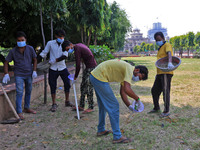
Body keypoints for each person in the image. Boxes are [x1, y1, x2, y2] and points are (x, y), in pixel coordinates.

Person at [89, 59, 148, 144]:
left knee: (103, 105)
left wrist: (129, 106)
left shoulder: (126, 71)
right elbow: (128, 89)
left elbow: (123, 92)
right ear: (137, 70)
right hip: (99, 77)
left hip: (95, 76)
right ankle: (117, 136)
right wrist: (137, 99)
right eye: (139, 77)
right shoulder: (129, 68)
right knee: (114, 106)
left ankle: (101, 130)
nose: (137, 79)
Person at [2, 31, 37, 120]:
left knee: (29, 90)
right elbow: (6, 62)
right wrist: (6, 73)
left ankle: (27, 108)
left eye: (22, 40)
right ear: (16, 41)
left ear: (26, 40)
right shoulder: (13, 51)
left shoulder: (30, 49)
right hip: (19, 75)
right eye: (18, 40)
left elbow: (35, 59)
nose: (20, 41)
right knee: (19, 92)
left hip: (29, 74)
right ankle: (19, 112)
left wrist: (34, 70)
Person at [39, 29, 73, 112]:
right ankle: (54, 103)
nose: (61, 38)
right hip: (53, 68)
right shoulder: (50, 43)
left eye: (62, 37)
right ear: (56, 36)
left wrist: (55, 60)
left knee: (67, 83)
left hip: (62, 67)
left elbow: (65, 55)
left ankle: (67, 101)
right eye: (60, 36)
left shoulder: (65, 43)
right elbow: (44, 53)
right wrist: (36, 62)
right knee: (52, 85)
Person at [62, 41, 97, 113]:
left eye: (68, 49)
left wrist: (75, 77)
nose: (69, 51)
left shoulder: (77, 49)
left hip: (91, 68)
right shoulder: (79, 45)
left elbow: (78, 65)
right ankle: (81, 105)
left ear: (71, 44)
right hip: (88, 68)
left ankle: (91, 107)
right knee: (83, 86)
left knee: (88, 87)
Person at [148, 32, 174, 118]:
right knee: (154, 90)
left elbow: (169, 53)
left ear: (163, 38)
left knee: (165, 91)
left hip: (166, 72)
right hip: (159, 73)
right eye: (156, 40)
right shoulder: (160, 47)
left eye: (159, 40)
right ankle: (156, 107)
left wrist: (170, 62)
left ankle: (166, 110)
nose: (157, 41)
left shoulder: (167, 45)